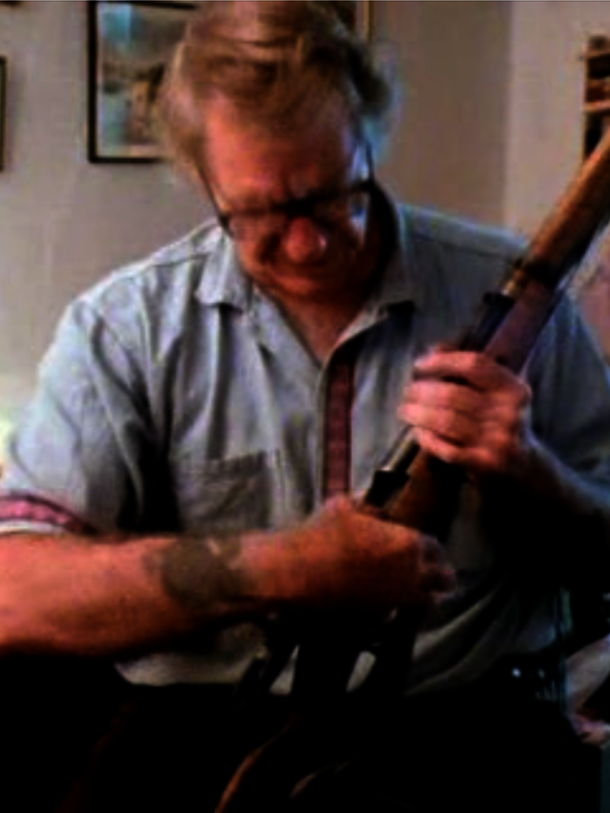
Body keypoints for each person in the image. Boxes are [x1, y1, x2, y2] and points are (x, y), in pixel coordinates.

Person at [1, 1, 610, 810]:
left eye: (334, 195)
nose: (308, 244)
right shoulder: (124, 327)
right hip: (208, 738)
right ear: (203, 182)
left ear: (370, 141)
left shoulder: (513, 290)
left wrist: (529, 472)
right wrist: (289, 567)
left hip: (466, 731)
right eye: (261, 212)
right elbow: (14, 592)